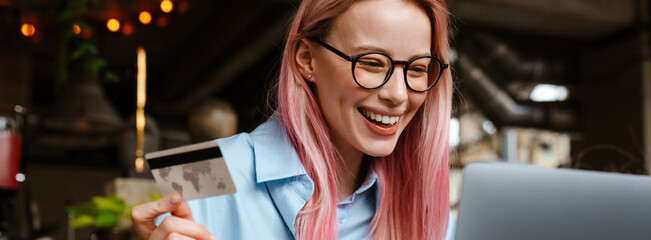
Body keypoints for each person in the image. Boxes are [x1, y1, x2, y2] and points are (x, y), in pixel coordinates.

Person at [131, 0, 454, 239]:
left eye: (416, 69)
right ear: (306, 59)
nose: (398, 94)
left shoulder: (427, 209)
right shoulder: (193, 170)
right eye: (371, 63)